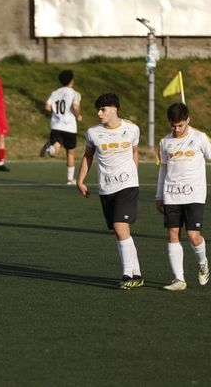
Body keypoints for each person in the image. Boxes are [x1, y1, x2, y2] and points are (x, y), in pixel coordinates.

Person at [156, 103, 211, 291]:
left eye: (180, 125)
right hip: (171, 194)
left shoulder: (200, 138)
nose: (177, 129)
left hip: (194, 194)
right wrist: (158, 195)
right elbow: (163, 169)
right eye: (173, 126)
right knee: (172, 234)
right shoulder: (165, 142)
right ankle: (178, 279)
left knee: (193, 235)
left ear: (188, 120)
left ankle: (203, 262)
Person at [76, 93, 144, 290]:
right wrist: (80, 180)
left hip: (127, 185)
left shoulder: (131, 129)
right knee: (120, 232)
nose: (99, 113)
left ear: (114, 109)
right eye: (98, 109)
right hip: (106, 188)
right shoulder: (93, 133)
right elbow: (88, 156)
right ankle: (137, 274)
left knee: (119, 226)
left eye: (103, 109)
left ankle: (127, 274)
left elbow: (135, 151)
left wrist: (134, 174)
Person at [40, 69, 83, 185]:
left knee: (55, 151)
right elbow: (75, 107)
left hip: (56, 125)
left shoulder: (55, 93)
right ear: (71, 80)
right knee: (70, 153)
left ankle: (50, 148)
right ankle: (70, 180)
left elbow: (48, 107)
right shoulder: (75, 94)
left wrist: (55, 114)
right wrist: (78, 116)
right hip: (69, 127)